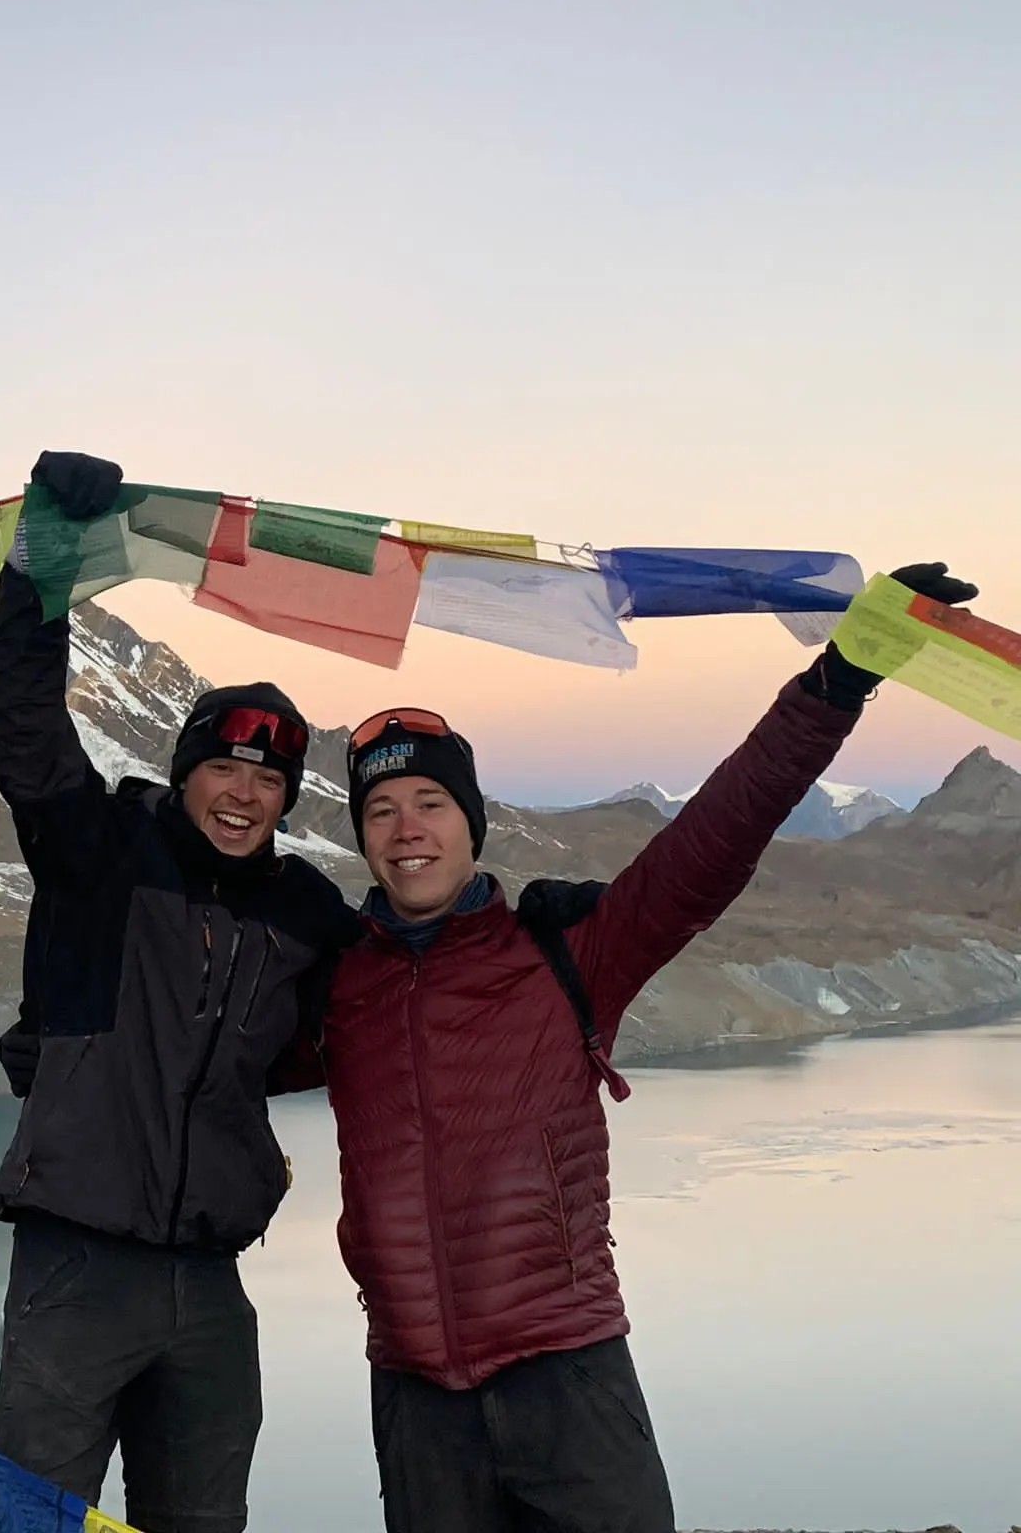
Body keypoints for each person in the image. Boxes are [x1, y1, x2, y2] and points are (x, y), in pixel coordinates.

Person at [282, 562, 979, 1533]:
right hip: (412, 1401)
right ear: (360, 834)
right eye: (380, 810)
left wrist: (843, 673)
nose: (406, 829)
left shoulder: (567, 954)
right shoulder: (335, 984)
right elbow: (196, 1057)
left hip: (567, 1378)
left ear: (469, 824)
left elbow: (715, 835)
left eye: (429, 804)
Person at [0, 450, 358, 1533]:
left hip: (207, 1284)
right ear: (187, 769)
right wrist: (43, 556)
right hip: (74, 1268)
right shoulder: (99, 851)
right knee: (29, 1519)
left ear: (286, 797)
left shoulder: (301, 911)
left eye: (270, 777)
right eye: (225, 767)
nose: (244, 793)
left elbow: (377, 1005)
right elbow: (22, 726)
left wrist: (521, 921)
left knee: (202, 1522)